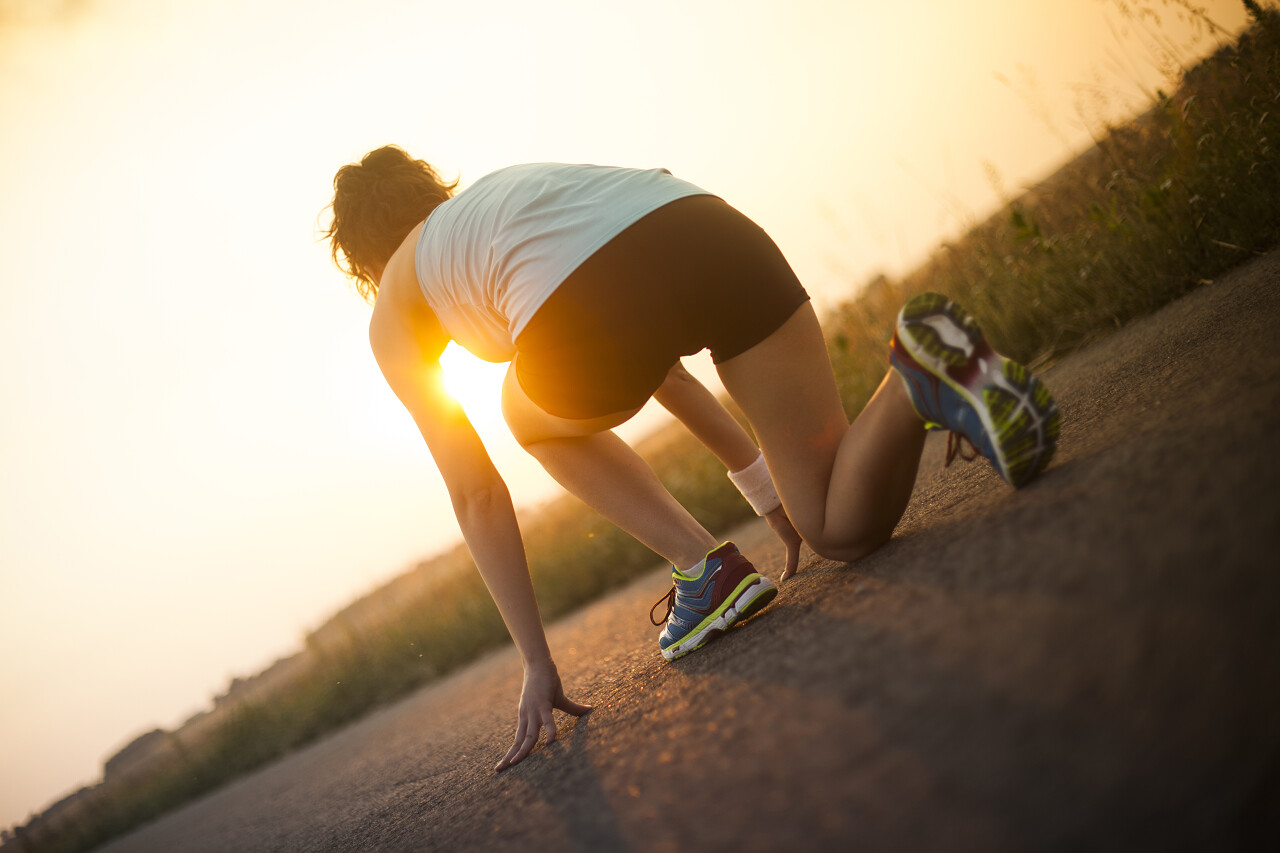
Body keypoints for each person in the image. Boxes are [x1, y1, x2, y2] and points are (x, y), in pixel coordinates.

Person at [324, 146, 1060, 771]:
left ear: (364, 263)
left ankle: (703, 569)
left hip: (599, 302)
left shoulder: (396, 301)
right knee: (840, 526)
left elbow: (477, 494)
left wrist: (536, 659)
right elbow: (660, 366)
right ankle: (918, 379)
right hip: (711, 228)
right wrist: (770, 493)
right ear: (429, 194)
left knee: (524, 410)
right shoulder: (503, 204)